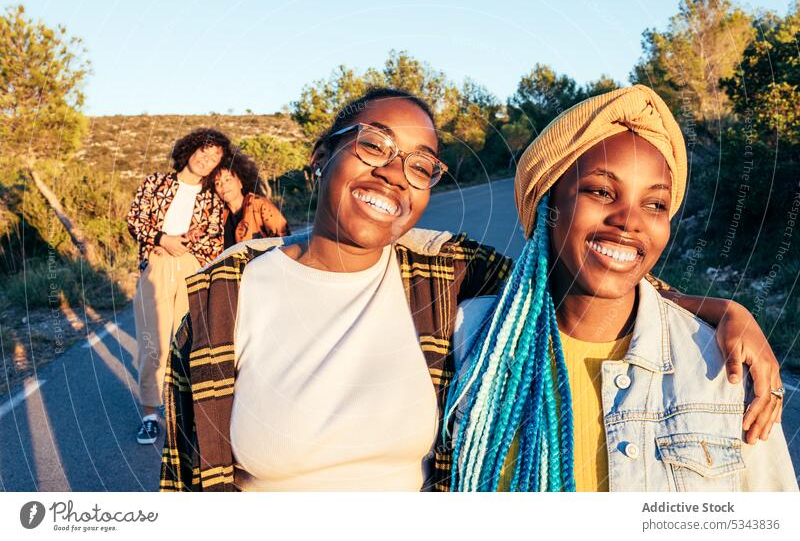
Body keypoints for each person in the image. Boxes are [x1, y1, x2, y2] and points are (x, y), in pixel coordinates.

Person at [159, 87, 783, 492]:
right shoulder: (224, 299)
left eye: (421, 164)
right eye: (373, 144)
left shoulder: (442, 282)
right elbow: (187, 475)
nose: (392, 173)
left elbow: (584, 280)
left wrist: (722, 309)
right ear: (320, 158)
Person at [447, 85, 797, 492]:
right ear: (548, 206)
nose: (629, 220)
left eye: (655, 205)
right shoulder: (466, 339)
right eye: (601, 191)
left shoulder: (725, 365)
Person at [126, 128, 231, 445]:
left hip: (192, 266)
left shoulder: (212, 199)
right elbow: (135, 219)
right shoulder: (155, 183)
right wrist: (162, 240)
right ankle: (149, 415)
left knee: (189, 344)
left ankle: (188, 414)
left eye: (215, 158)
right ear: (190, 149)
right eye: (204, 151)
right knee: (152, 343)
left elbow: (214, 240)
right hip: (157, 264)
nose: (207, 160)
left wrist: (187, 246)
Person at [213, 149, 290, 248]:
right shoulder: (219, 216)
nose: (223, 186)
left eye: (228, 179)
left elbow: (285, 240)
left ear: (240, 182)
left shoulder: (259, 204)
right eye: (217, 183)